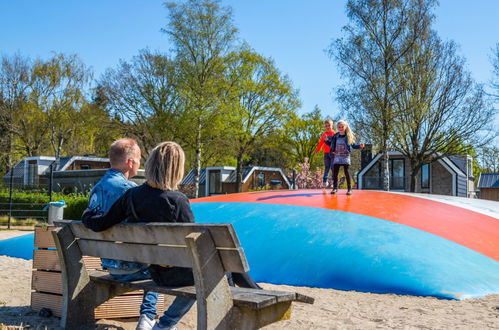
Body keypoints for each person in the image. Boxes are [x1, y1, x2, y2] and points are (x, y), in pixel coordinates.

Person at [87, 138, 159, 330]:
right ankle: (148, 316)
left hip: (109, 265)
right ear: (129, 162)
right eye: (138, 160)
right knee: (159, 267)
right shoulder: (131, 191)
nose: (139, 165)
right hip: (131, 268)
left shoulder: (96, 189)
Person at [325, 120, 364, 195]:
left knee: (347, 172)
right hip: (337, 156)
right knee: (335, 173)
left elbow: (353, 145)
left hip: (345, 156)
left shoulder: (348, 136)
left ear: (345, 127)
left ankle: (349, 189)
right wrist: (326, 140)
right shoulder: (335, 136)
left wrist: (359, 146)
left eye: (342, 127)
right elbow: (330, 144)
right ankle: (335, 188)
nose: (340, 128)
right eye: (339, 127)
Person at [315, 119, 336, 188]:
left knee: (333, 168)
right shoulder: (324, 135)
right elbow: (321, 143)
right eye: (326, 126)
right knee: (327, 167)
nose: (327, 127)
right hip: (326, 153)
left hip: (333, 153)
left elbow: (336, 143)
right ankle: (325, 181)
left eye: (329, 125)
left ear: (332, 126)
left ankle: (333, 181)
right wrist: (318, 149)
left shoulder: (334, 134)